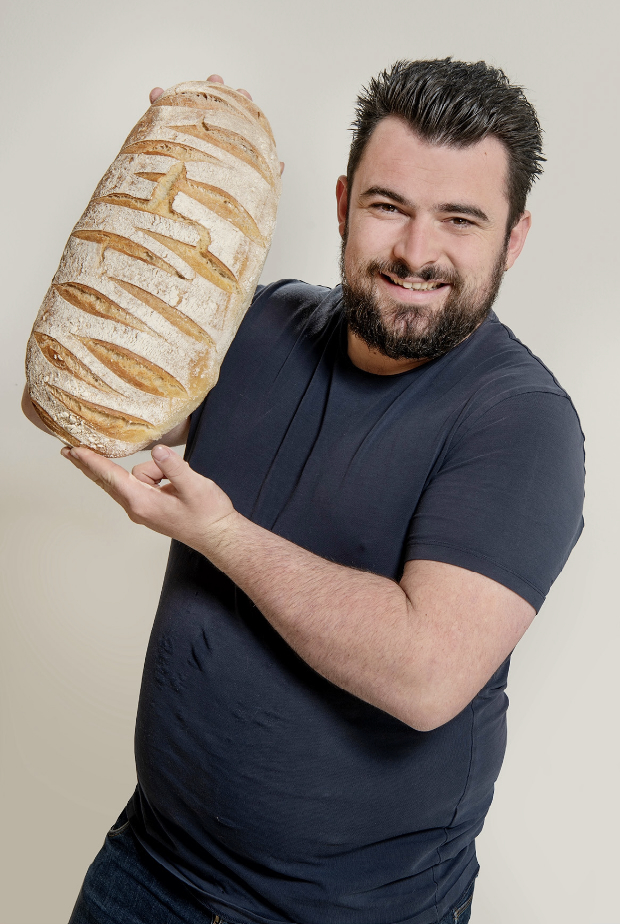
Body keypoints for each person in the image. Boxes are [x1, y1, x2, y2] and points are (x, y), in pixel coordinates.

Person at [24, 60, 585, 924]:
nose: (414, 252)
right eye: (387, 205)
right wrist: (175, 159)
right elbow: (77, 402)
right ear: (341, 204)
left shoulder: (522, 425)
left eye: (460, 220)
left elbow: (425, 673)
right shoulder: (260, 323)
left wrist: (221, 534)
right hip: (147, 871)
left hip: (347, 913)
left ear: (512, 240)